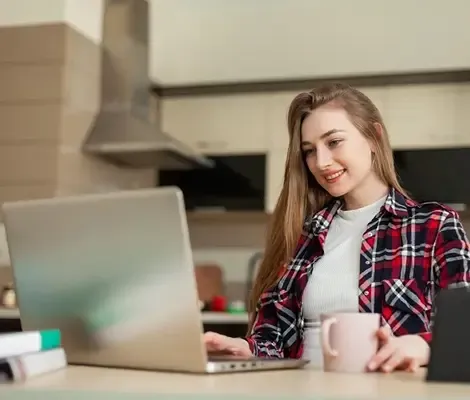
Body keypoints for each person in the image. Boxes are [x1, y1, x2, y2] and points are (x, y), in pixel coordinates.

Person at [203, 82, 470, 373]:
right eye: (309, 150)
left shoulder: (433, 225)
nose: (321, 162)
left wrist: (424, 345)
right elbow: (273, 338)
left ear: (373, 137)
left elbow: (463, 328)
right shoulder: (305, 235)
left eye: (334, 142)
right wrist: (248, 348)